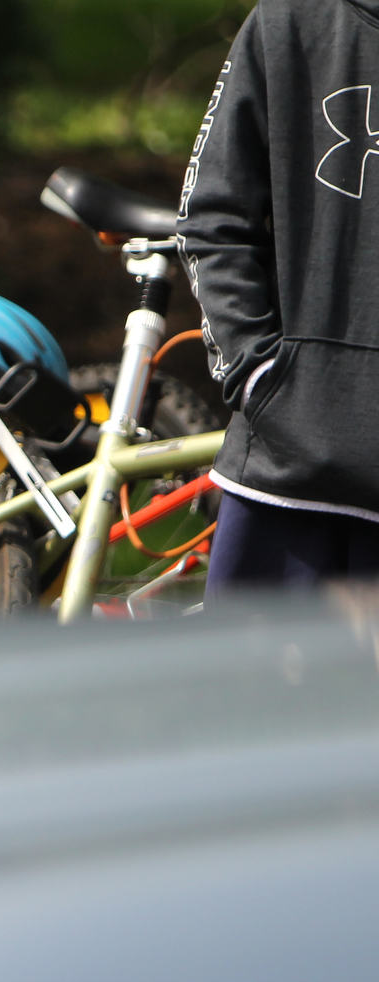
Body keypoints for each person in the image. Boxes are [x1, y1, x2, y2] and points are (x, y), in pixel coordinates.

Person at [178, 0, 379, 588]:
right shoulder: (291, 19)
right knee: (254, 685)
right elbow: (212, 216)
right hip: (287, 482)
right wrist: (258, 373)